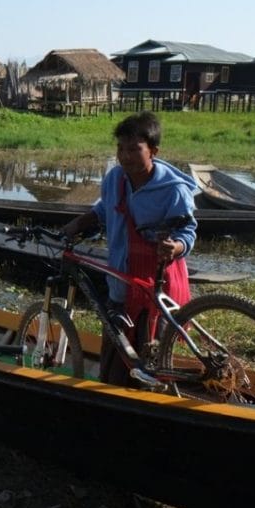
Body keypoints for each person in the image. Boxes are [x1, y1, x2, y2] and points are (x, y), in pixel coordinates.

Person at [61, 111, 197, 386]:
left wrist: (177, 246)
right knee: (116, 357)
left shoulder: (173, 191)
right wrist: (77, 223)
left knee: (151, 358)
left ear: (153, 151)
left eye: (134, 149)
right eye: (120, 149)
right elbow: (103, 209)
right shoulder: (115, 179)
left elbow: (188, 230)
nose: (125, 156)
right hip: (121, 282)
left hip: (154, 286)